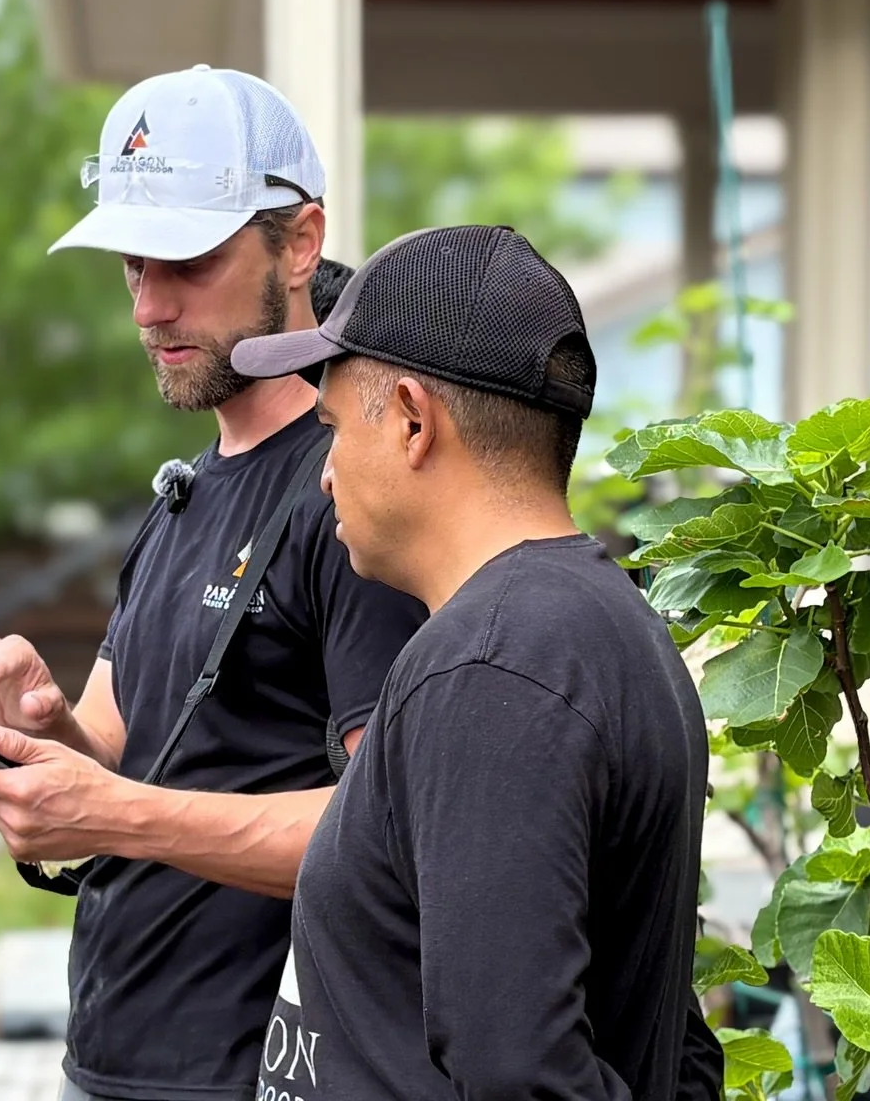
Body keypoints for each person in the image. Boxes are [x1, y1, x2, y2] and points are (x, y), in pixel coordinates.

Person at [0, 65, 427, 1101]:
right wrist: (35, 720)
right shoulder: (185, 492)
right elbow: (112, 752)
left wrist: (109, 815)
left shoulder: (353, 494)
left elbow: (391, 836)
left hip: (255, 1077)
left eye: (186, 259)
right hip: (109, 1064)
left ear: (302, 239)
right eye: (131, 264)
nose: (149, 305)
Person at [231, 223, 722, 1100]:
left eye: (335, 429)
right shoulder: (604, 628)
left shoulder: (492, 669)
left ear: (414, 422)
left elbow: (518, 1070)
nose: (325, 476)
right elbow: (673, 1038)